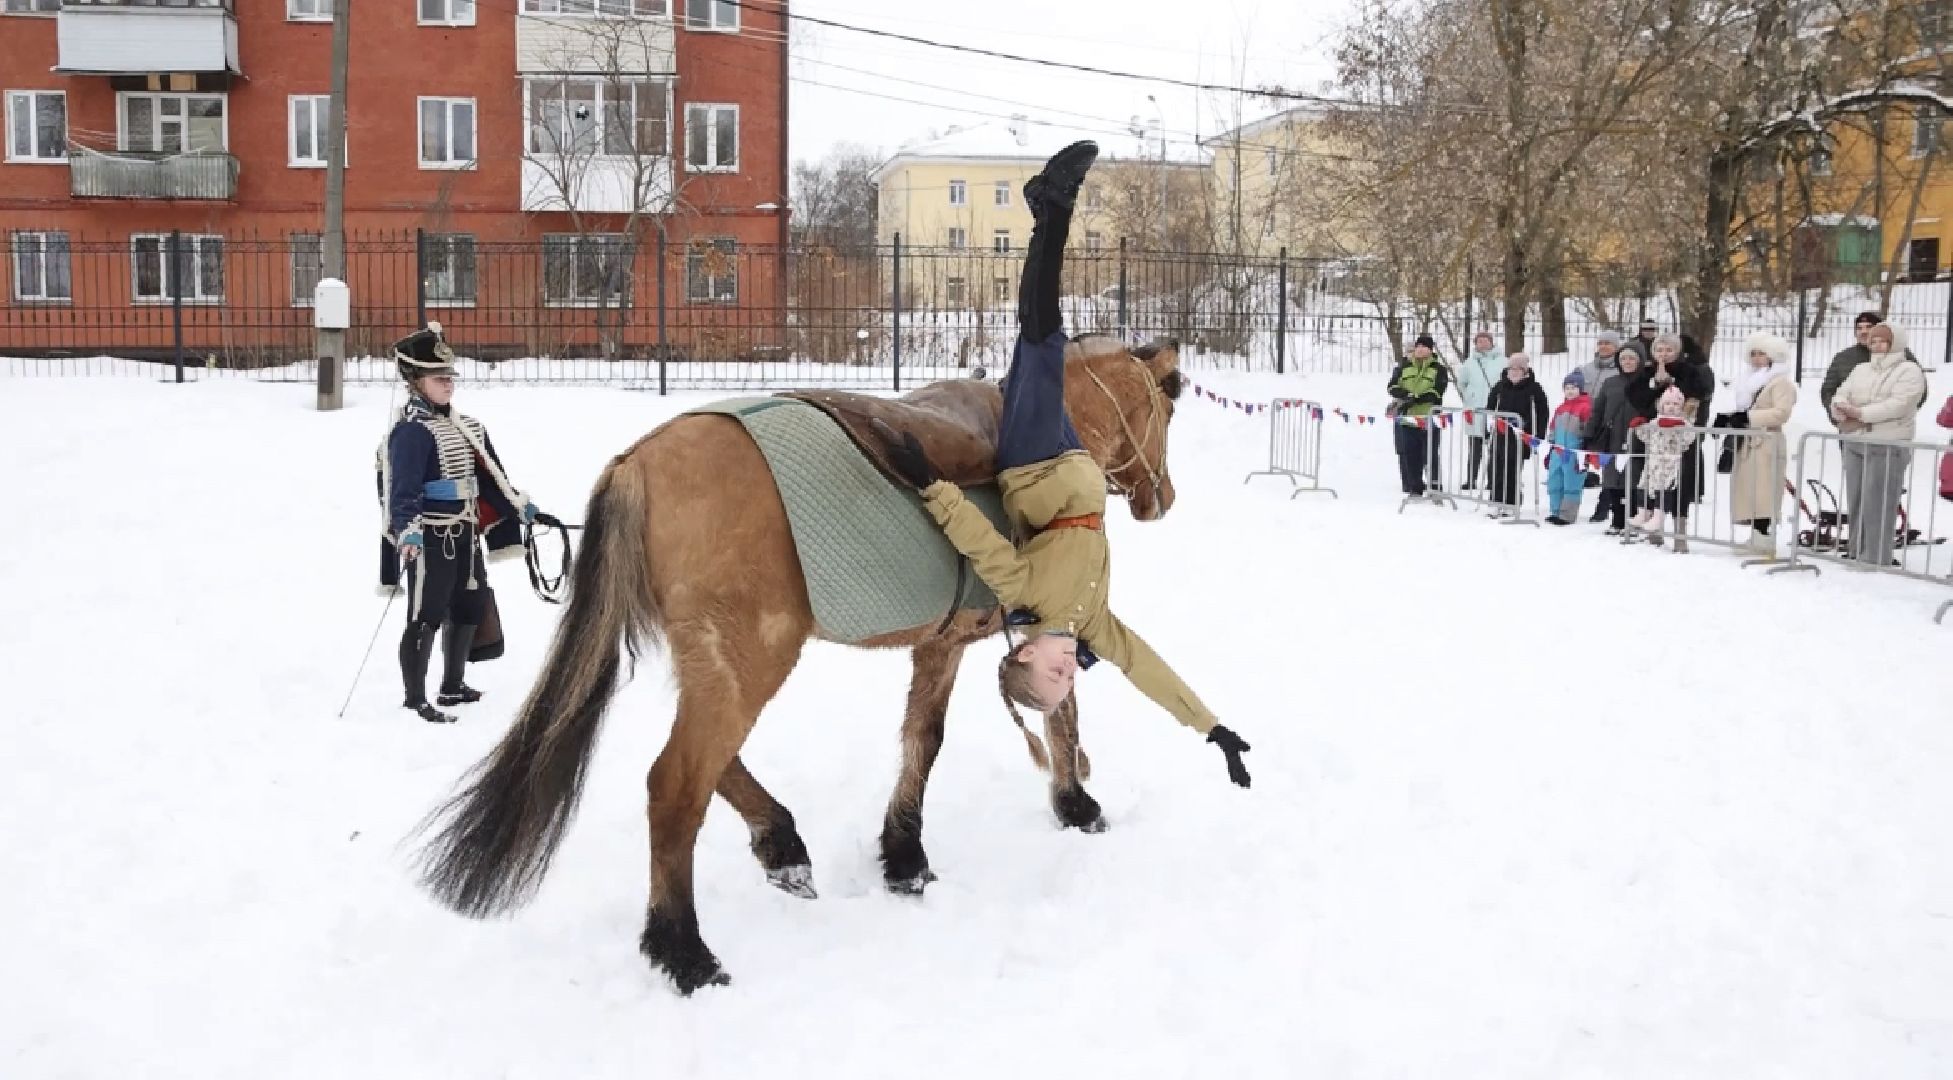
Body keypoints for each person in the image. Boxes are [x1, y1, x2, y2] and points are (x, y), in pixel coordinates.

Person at [874, 140, 1252, 789]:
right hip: (1078, 458)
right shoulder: (1090, 625)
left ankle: (1051, 208)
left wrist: (928, 481)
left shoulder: (1020, 597)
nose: (1068, 672)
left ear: (1023, 652)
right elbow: (1146, 667)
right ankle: (1048, 207)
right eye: (1067, 681)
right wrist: (1211, 729)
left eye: (1053, 675)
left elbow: (975, 536)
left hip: (1035, 458)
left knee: (1041, 335)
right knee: (1058, 346)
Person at [380, 324, 543, 724]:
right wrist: (409, 530)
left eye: (451, 378)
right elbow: (401, 490)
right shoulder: (410, 434)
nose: (449, 385)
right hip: (431, 536)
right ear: (416, 382)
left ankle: (452, 685)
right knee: (426, 614)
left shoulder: (469, 427)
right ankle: (415, 698)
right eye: (439, 379)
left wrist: (517, 506)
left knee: (469, 608)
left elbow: (491, 479)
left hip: (466, 532)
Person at [1831, 321, 1928, 568]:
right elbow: (1842, 391)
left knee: (1880, 502)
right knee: (1857, 500)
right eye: (1873, 341)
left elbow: (1899, 404)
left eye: (1882, 341)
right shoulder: (1861, 369)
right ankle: (1855, 550)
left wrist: (1860, 413)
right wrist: (1839, 408)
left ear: (1895, 342)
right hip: (1855, 441)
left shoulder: (1909, 371)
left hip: (1887, 443)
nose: (1876, 345)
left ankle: (1875, 556)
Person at [1721, 333, 1797, 559]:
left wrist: (1748, 417)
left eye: (1761, 353)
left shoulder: (1781, 382)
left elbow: (1781, 413)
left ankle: (1765, 537)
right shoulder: (1749, 381)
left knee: (1765, 492)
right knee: (1750, 491)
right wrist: (1731, 418)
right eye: (1753, 353)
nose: (1756, 358)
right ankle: (1756, 535)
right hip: (1750, 441)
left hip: (1767, 442)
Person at [1625, 386, 1693, 551]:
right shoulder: (1656, 421)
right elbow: (1646, 437)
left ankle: (1658, 516)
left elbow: (1687, 440)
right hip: (1652, 462)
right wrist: (1639, 427)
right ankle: (1643, 513)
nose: (1671, 407)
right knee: (1644, 486)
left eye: (1675, 404)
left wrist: (1676, 429)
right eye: (1667, 403)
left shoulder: (1683, 423)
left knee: (1663, 490)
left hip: (1669, 462)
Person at [1483, 351, 1550, 518]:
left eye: (1518, 368)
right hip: (1500, 434)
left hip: (1521, 436)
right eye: (1511, 368)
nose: (1514, 371)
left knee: (1512, 468)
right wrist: (1487, 429)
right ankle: (1496, 501)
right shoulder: (1500, 386)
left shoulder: (1534, 388)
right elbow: (1490, 408)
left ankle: (1511, 502)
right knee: (1497, 468)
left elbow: (1542, 413)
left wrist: (1538, 436)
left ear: (1525, 370)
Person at [1585, 346, 1643, 534]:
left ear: (1639, 361)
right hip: (1611, 438)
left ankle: (1632, 521)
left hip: (1636, 438)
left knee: (1633, 481)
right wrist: (1589, 433)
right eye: (1624, 358)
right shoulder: (1610, 383)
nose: (1627, 362)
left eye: (1631, 359)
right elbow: (1598, 410)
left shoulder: (1646, 382)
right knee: (1612, 481)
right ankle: (1617, 520)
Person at [1387, 334, 1449, 500]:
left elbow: (1437, 391)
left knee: (1430, 454)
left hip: (1429, 417)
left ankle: (1435, 487)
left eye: (1424, 346)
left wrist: (1415, 398)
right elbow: (1392, 386)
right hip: (1408, 418)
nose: (1420, 349)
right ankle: (1415, 487)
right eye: (1418, 346)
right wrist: (1405, 395)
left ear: (1430, 350)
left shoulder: (1438, 369)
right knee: (1410, 454)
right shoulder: (1404, 366)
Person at [1455, 330, 1502, 489]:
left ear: (1491, 342)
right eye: (1479, 341)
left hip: (1494, 409)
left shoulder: (1503, 361)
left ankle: (1492, 480)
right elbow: (1462, 383)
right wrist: (1470, 396)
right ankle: (1471, 479)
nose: (1482, 343)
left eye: (1485, 340)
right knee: (1474, 448)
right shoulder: (1469, 363)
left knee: (1494, 448)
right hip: (1474, 409)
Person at [1545, 370, 1592, 525]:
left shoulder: (1585, 408)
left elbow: (1588, 430)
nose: (1570, 391)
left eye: (1574, 387)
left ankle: (1567, 515)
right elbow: (1552, 428)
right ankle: (1555, 510)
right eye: (1567, 388)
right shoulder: (1560, 409)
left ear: (1580, 389)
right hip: (1557, 451)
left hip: (1574, 452)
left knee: (1572, 484)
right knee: (1554, 481)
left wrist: (1585, 451)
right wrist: (1550, 448)